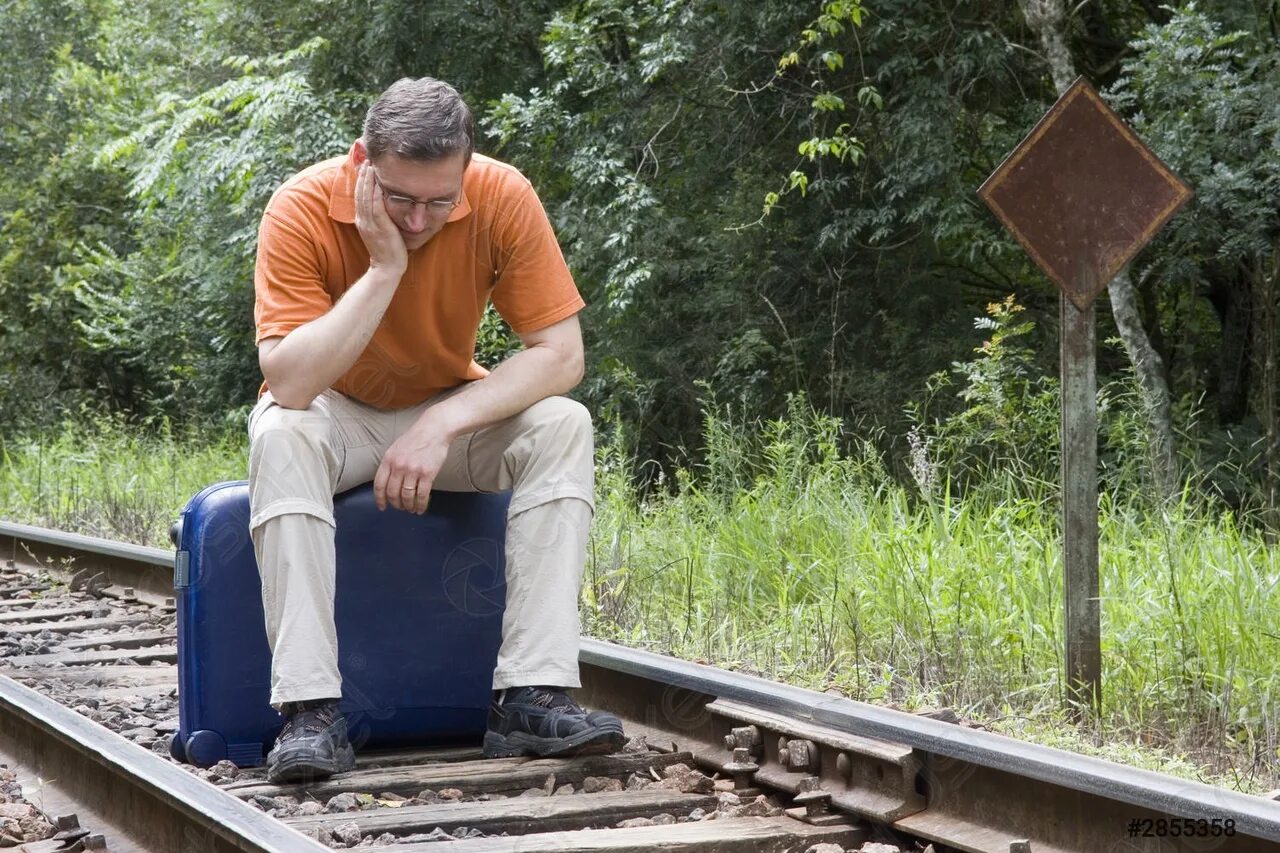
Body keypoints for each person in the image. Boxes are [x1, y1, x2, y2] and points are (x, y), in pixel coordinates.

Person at [247, 76, 624, 783]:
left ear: (467, 173)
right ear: (361, 162)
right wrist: (384, 267)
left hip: (447, 414)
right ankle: (310, 711)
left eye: (438, 201)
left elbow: (562, 354)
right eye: (399, 198)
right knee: (281, 432)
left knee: (562, 425)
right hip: (335, 411)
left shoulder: (503, 195)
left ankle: (530, 696)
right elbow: (291, 381)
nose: (419, 221)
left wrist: (446, 419)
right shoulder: (299, 205)